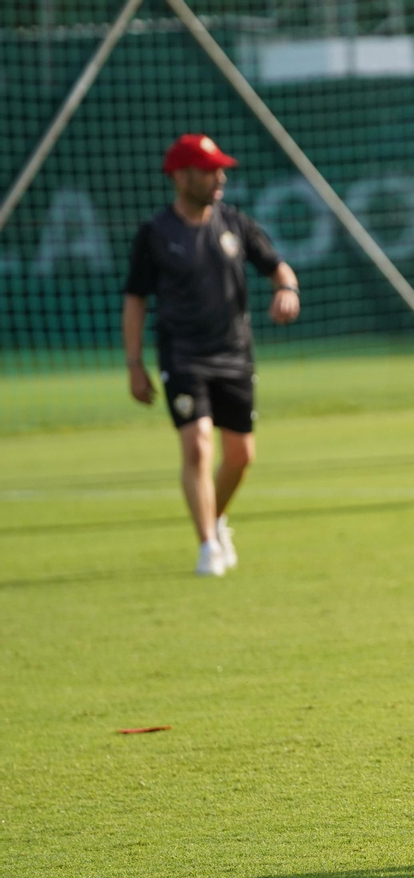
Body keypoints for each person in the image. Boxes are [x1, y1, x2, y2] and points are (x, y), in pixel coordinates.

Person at [123, 134, 300, 577]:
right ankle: (207, 547)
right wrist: (134, 364)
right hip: (182, 355)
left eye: (221, 169)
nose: (219, 177)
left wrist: (287, 288)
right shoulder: (155, 233)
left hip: (235, 353)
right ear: (180, 177)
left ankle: (216, 518)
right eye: (209, 169)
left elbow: (277, 265)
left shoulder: (235, 224)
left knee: (240, 456)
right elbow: (135, 298)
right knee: (198, 446)